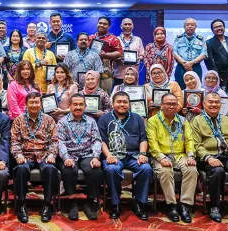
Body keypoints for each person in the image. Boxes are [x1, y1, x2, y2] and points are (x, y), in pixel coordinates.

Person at [191, 92, 228, 224]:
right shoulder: (197, 121)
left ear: (220, 104)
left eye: (217, 102)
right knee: (217, 171)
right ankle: (215, 206)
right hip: (208, 156)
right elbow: (196, 144)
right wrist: (208, 158)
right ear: (204, 104)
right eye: (210, 102)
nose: (214, 104)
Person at [147, 93, 198, 223]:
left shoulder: (183, 121)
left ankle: (185, 205)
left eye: (174, 104)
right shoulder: (153, 121)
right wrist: (161, 158)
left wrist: (190, 156)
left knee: (192, 169)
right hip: (160, 155)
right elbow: (152, 143)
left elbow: (189, 140)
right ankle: (171, 205)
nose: (171, 106)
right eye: (168, 104)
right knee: (165, 171)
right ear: (161, 105)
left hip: (180, 155)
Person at [99, 92, 151, 220]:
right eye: (119, 102)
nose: (122, 104)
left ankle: (140, 203)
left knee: (146, 168)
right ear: (112, 104)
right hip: (113, 155)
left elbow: (143, 139)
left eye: (125, 102)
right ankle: (115, 204)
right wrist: (108, 155)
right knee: (112, 169)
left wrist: (142, 154)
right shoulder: (104, 119)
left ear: (129, 104)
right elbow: (101, 141)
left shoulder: (137, 118)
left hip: (134, 155)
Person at [10, 92, 59, 223]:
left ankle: (47, 204)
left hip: (44, 154)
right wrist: (18, 155)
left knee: (50, 169)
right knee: (21, 169)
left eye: (37, 102)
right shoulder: (18, 120)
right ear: (26, 104)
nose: (34, 105)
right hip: (25, 154)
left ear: (41, 104)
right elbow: (14, 141)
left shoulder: (49, 120)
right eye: (31, 102)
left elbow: (54, 141)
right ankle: (21, 204)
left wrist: (52, 154)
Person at [57, 94, 104, 221]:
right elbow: (60, 142)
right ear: (69, 106)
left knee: (95, 171)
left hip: (87, 154)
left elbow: (97, 140)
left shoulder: (91, 121)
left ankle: (89, 202)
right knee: (69, 171)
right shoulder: (62, 122)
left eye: (81, 104)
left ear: (85, 106)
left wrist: (96, 157)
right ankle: (71, 203)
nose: (78, 107)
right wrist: (66, 157)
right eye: (75, 104)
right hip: (69, 154)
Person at [173, 18, 208, 89]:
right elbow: (174, 52)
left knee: (196, 88)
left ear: (196, 26)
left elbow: (204, 54)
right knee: (180, 88)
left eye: (192, 25)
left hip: (195, 67)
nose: (190, 26)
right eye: (187, 25)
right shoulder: (178, 38)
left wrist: (191, 63)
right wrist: (184, 64)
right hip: (181, 67)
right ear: (184, 27)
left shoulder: (201, 39)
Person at [92, 17, 123, 94]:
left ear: (109, 26)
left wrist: (105, 55)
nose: (101, 25)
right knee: (91, 94)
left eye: (105, 24)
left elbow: (119, 53)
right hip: (90, 72)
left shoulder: (113, 39)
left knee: (105, 94)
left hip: (106, 73)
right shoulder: (90, 38)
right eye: (100, 23)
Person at [205, 19, 228, 89]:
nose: (219, 28)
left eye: (220, 26)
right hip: (220, 76)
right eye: (216, 27)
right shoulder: (209, 43)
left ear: (224, 27)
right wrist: (216, 76)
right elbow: (210, 62)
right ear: (212, 30)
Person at [114, 18, 144, 88]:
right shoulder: (116, 39)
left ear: (132, 26)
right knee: (119, 93)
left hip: (133, 75)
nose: (127, 26)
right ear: (121, 26)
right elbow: (112, 56)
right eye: (125, 24)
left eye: (129, 24)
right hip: (119, 75)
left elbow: (142, 55)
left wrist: (139, 59)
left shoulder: (138, 40)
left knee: (133, 93)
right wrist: (117, 59)